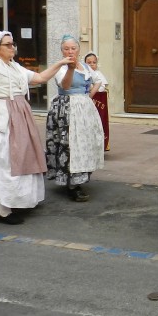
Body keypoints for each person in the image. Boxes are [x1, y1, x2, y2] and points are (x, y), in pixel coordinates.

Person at [0, 31, 75, 225]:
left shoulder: (14, 66)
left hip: (19, 113)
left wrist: (61, 63)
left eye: (12, 43)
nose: (12, 47)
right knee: (7, 161)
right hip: (2, 115)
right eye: (7, 44)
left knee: (22, 157)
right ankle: (4, 209)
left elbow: (40, 78)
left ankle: (18, 199)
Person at [44, 35, 106, 202]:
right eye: (66, 49)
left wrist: (87, 96)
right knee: (70, 144)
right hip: (67, 108)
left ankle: (79, 179)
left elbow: (99, 80)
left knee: (83, 143)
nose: (70, 51)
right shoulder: (61, 67)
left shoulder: (85, 66)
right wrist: (70, 69)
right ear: (62, 51)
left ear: (79, 50)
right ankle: (72, 184)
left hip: (84, 108)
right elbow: (64, 86)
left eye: (73, 48)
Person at [84, 52, 110, 152]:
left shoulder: (98, 74)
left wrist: (95, 88)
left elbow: (102, 86)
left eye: (94, 62)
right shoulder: (83, 73)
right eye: (89, 62)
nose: (91, 64)